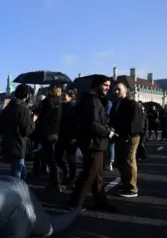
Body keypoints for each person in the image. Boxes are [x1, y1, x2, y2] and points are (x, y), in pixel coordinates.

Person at [67, 74, 115, 212]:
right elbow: (92, 124)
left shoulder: (95, 100)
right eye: (105, 85)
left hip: (97, 142)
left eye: (108, 86)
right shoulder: (92, 101)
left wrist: (106, 129)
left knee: (97, 175)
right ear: (97, 85)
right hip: (93, 143)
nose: (107, 88)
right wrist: (108, 132)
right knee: (89, 174)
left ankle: (100, 201)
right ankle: (75, 202)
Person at [110, 83, 143, 198]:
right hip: (119, 136)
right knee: (120, 161)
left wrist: (127, 135)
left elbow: (135, 122)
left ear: (125, 90)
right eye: (115, 90)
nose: (116, 92)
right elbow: (113, 120)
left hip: (130, 137)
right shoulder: (115, 104)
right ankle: (125, 184)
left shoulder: (132, 104)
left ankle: (132, 189)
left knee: (129, 161)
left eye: (119, 89)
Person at [0, 84, 37, 180]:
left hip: (8, 142)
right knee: (17, 175)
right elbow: (26, 130)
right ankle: (17, 193)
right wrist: (33, 121)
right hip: (18, 144)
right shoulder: (23, 109)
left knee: (20, 171)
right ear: (27, 95)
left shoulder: (8, 107)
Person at [36, 84, 63, 192]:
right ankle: (54, 183)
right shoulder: (59, 102)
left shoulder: (48, 102)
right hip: (56, 132)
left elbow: (42, 117)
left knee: (50, 160)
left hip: (47, 133)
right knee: (53, 159)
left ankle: (55, 183)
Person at [56, 89, 78, 187]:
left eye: (64, 96)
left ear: (70, 96)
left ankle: (71, 178)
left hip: (71, 137)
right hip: (62, 135)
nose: (62, 97)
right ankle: (67, 173)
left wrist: (75, 136)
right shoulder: (63, 106)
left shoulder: (75, 107)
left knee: (71, 159)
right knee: (58, 157)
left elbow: (77, 124)